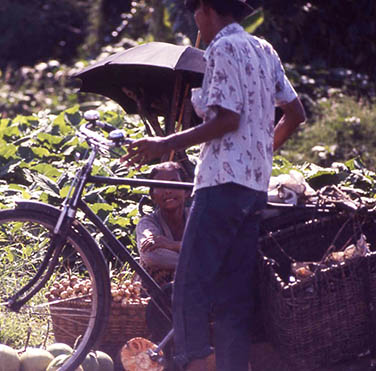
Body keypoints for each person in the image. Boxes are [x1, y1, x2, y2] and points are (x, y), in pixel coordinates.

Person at [122, 0, 307, 370]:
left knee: (189, 286)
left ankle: (195, 364)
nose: (195, 19)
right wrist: (259, 152)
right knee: (233, 295)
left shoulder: (221, 47)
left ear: (206, 8)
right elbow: (295, 113)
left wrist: (164, 143)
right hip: (252, 188)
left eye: (195, 11)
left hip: (221, 183)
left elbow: (226, 119)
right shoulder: (263, 48)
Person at [136, 161, 189, 288]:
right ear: (152, 196)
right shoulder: (148, 223)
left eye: (173, 183)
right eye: (160, 185)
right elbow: (151, 255)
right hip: (156, 293)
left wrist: (172, 245)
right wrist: (199, 261)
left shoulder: (197, 217)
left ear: (186, 191)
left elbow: (212, 247)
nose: (168, 190)